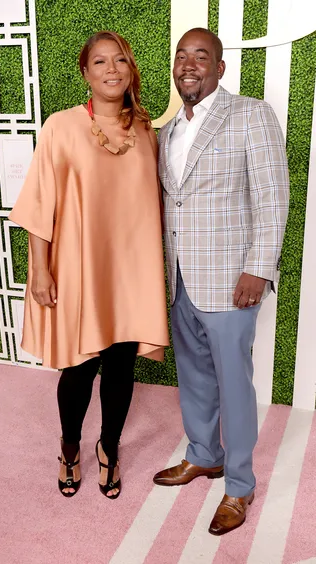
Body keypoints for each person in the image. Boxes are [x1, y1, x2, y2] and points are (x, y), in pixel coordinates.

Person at [9, 30, 169, 499]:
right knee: (79, 367)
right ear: (85, 73)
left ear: (131, 68)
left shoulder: (145, 131)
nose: (111, 69)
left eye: (120, 60)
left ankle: (110, 449)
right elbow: (40, 202)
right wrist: (39, 269)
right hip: (79, 270)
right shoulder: (60, 126)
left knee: (121, 366)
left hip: (130, 273)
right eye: (100, 62)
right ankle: (70, 447)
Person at [153, 28, 289, 535]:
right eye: (182, 56)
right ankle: (203, 455)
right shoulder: (168, 131)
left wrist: (259, 267)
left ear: (220, 68)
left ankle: (239, 484)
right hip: (182, 277)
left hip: (232, 279)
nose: (189, 65)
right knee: (194, 377)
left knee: (234, 383)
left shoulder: (251, 114)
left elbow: (273, 198)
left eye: (201, 56)